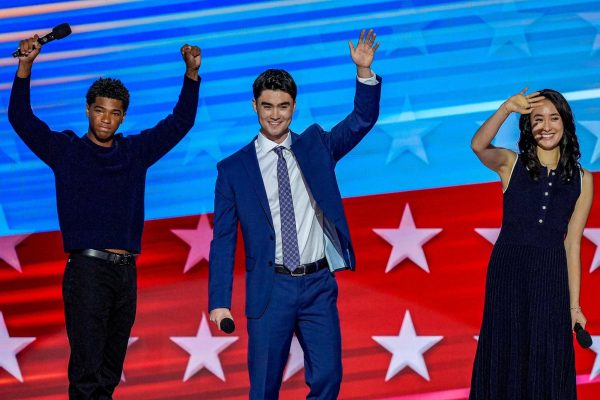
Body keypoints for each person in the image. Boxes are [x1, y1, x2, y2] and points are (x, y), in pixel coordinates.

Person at [8, 35, 201, 399]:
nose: (106, 119)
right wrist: (25, 67)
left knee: (110, 375)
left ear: (123, 116)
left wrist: (191, 75)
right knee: (87, 375)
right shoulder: (66, 151)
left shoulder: (135, 151)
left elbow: (180, 122)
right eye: (100, 110)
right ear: (87, 109)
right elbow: (21, 118)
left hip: (126, 274)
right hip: (87, 274)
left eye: (115, 113)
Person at [208, 29, 381, 399]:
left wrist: (364, 73)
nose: (275, 115)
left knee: (329, 379)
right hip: (271, 289)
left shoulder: (317, 144)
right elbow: (222, 240)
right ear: (254, 106)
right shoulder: (233, 169)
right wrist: (219, 301)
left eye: (283, 106)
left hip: (318, 285)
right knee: (265, 388)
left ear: (294, 107)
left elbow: (361, 120)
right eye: (267, 106)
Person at [469, 88, 593, 399]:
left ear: (565, 123)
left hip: (550, 276)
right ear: (528, 125)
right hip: (508, 273)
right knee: (505, 354)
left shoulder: (583, 179)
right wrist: (506, 108)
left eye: (554, 118)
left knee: (546, 359)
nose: (547, 126)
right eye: (538, 119)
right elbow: (478, 145)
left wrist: (574, 306)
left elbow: (572, 246)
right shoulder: (510, 163)